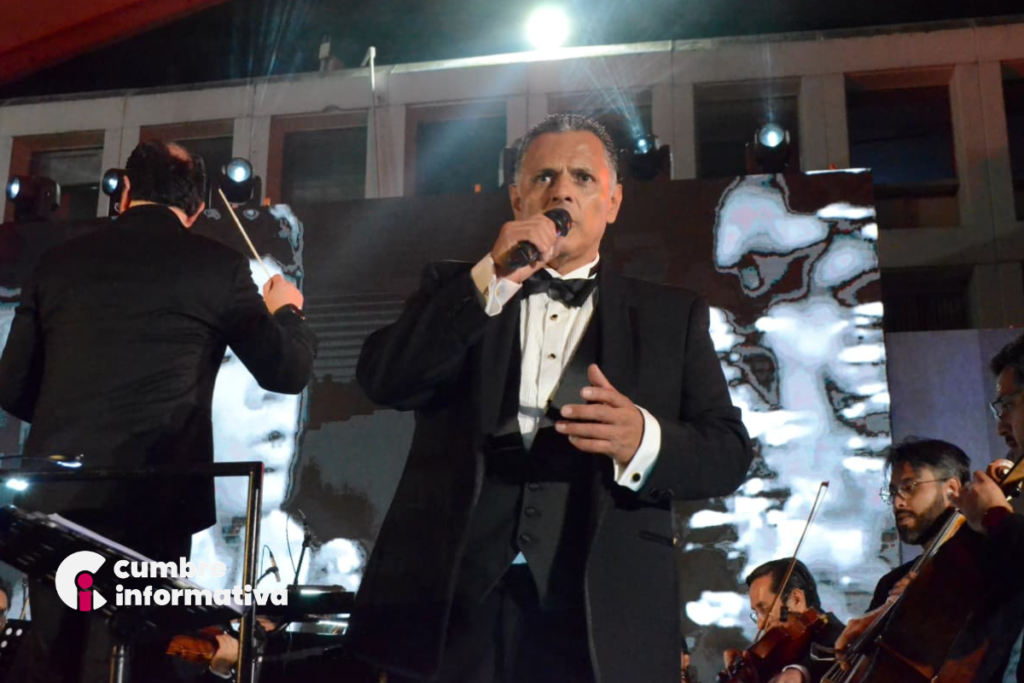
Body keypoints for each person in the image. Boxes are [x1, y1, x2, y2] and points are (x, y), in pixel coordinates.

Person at [348, 113, 753, 683]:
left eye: (583, 178)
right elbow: (384, 380)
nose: (562, 191)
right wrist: (491, 278)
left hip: (601, 611)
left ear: (613, 202)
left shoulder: (671, 315)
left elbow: (729, 452)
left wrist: (644, 439)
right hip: (455, 607)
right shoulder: (458, 289)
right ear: (518, 200)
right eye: (544, 177)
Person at [0, 140, 317, 683]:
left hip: (62, 499)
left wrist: (69, 422)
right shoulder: (218, 267)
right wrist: (288, 312)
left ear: (123, 191)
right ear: (197, 207)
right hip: (155, 503)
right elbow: (285, 372)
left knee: (58, 658)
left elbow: (11, 387)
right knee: (134, 656)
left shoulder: (58, 263)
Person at [834, 438, 969, 651]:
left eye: (909, 487)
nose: (898, 503)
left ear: (951, 489)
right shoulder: (890, 583)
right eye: (894, 492)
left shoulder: (985, 560)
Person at [724, 559, 845, 683]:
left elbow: (833, 649)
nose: (760, 625)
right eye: (757, 613)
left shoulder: (840, 640)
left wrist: (798, 671)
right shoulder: (781, 653)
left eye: (765, 610)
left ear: (796, 599)